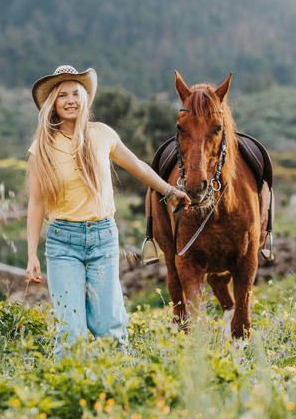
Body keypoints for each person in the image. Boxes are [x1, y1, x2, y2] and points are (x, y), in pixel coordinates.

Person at [26, 65, 189, 359]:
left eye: (76, 93)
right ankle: (70, 393)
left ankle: (122, 390)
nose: (70, 100)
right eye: (62, 95)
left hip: (102, 237)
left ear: (85, 98)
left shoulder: (102, 134)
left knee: (108, 325)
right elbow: (36, 203)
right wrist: (31, 254)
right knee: (70, 330)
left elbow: (138, 166)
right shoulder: (43, 147)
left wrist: (169, 191)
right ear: (53, 102)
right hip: (62, 242)